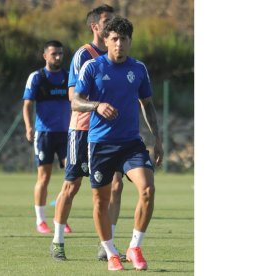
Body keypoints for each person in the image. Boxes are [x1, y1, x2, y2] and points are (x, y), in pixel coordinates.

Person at [71, 17, 163, 271]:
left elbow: (147, 104)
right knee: (101, 201)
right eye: (114, 39)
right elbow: (76, 102)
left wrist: (157, 137)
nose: (119, 44)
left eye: (124, 39)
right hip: (100, 144)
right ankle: (111, 251)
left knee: (148, 189)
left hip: (131, 143)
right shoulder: (92, 67)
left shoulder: (139, 69)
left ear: (130, 41)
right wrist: (96, 105)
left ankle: (135, 246)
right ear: (106, 40)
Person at [50, 4, 125, 262]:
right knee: (72, 185)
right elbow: (73, 96)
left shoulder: (119, 56)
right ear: (95, 26)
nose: (112, 23)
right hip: (82, 130)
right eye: (107, 20)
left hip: (110, 133)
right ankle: (57, 240)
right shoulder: (84, 55)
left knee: (116, 185)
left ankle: (107, 245)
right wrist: (98, 105)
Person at [22, 40, 71, 234]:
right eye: (54, 54)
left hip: (66, 134)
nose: (58, 57)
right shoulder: (37, 78)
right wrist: (28, 127)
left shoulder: (68, 77)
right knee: (44, 177)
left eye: (60, 53)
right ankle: (40, 221)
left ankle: (61, 216)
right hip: (44, 134)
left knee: (71, 176)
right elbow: (27, 104)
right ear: (45, 56)